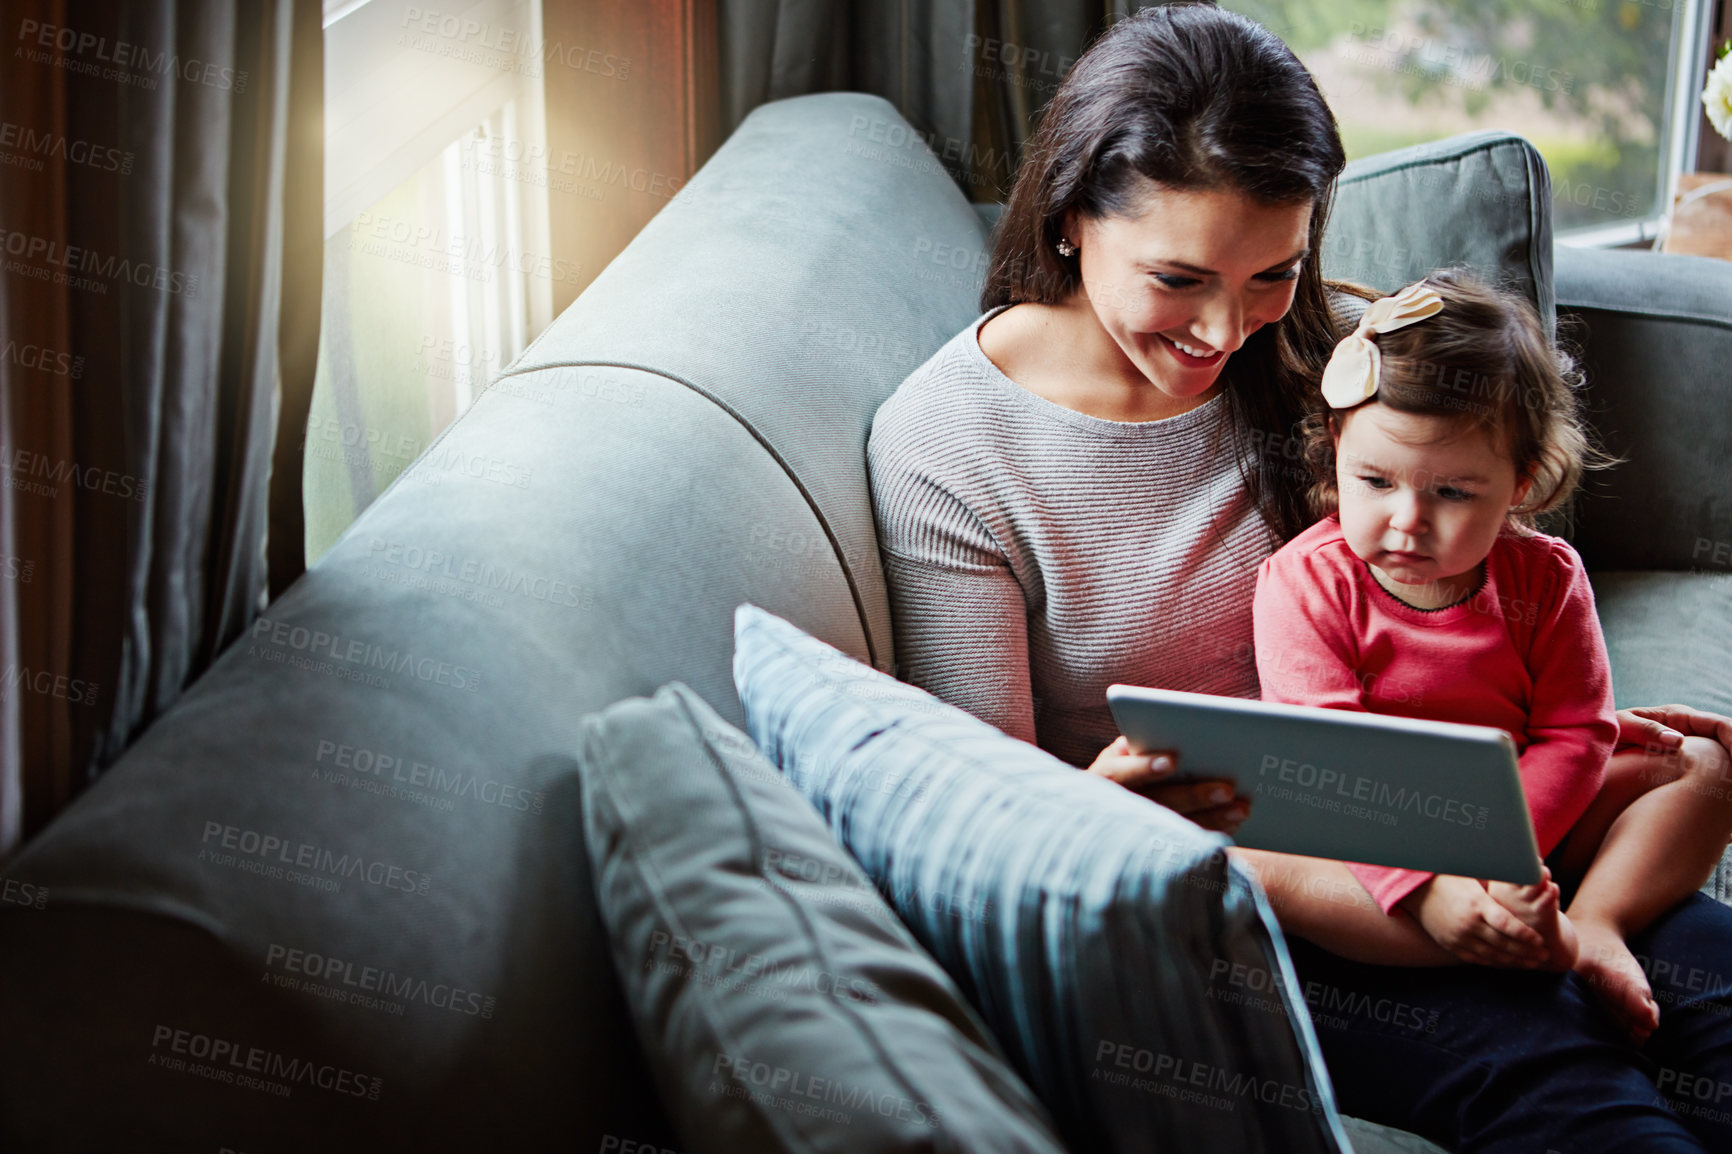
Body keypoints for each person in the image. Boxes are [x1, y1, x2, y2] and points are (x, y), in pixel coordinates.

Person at [864, 4, 1732, 1151]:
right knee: (1564, 1084)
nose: (1225, 330)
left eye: (1270, 272)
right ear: (1074, 216)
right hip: (1250, 884)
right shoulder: (952, 444)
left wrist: (1562, 727)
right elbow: (992, 805)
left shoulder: (1333, 357)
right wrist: (1100, 801)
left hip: (1479, 822)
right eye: (1178, 276)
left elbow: (1481, 568)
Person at [1244, 269, 1732, 1048]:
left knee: (1702, 765)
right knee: (1270, 856)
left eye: (1454, 493)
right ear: (1335, 447)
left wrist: (1506, 848)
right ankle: (1493, 938)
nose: (1407, 522)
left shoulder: (1548, 578)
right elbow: (1334, 765)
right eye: (1374, 481)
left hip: (1531, 819)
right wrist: (1441, 870)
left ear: (1523, 485)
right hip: (1376, 834)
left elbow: (1576, 736)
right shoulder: (1304, 584)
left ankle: (1597, 922)